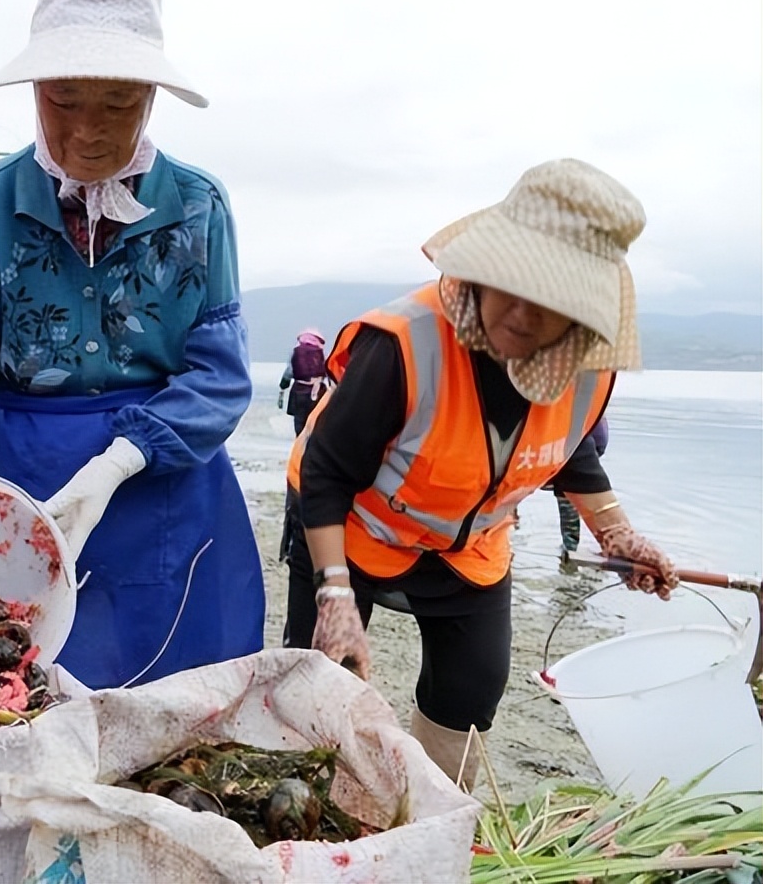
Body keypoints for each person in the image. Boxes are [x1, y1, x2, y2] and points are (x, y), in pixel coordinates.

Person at [0, 0, 264, 690]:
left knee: (173, 705)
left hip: (162, 486)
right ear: (35, 90)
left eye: (119, 102)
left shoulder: (198, 208)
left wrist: (120, 461)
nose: (87, 130)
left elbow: (219, 376)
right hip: (23, 482)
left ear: (152, 98)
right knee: (12, 684)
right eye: (63, 100)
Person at [281, 159, 678, 790]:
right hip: (349, 527)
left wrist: (618, 535)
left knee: (472, 689)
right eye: (511, 284)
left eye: (552, 304)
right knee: (317, 680)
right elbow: (326, 473)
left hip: (467, 552)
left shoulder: (584, 370)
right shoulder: (405, 344)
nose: (521, 315)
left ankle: (428, 814)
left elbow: (567, 449)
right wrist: (333, 593)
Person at [557, 417, 609, 550]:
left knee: (567, 491)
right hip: (592, 437)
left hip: (578, 440)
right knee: (570, 493)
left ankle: (570, 546)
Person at [278, 329, 332, 435]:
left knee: (299, 424)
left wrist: (283, 386)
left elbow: (289, 372)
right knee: (316, 422)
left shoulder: (296, 352)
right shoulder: (321, 352)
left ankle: (299, 446)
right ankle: (312, 448)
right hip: (318, 392)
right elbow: (328, 371)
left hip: (298, 391)